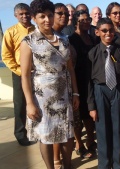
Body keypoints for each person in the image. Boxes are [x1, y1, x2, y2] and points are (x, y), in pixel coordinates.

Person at [20, 0, 79, 168]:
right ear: (33, 18)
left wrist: (75, 93)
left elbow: (70, 69)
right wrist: (30, 103)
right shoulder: (28, 41)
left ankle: (67, 165)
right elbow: (24, 76)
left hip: (64, 92)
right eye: (42, 16)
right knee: (45, 134)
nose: (47, 19)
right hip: (42, 96)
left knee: (67, 133)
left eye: (50, 15)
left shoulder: (64, 39)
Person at [87, 17, 120, 169]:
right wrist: (91, 106)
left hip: (117, 91)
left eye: (111, 30)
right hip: (100, 91)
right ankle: (104, 165)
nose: (108, 33)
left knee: (116, 128)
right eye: (104, 30)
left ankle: (116, 164)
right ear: (97, 32)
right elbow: (89, 82)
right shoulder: (92, 54)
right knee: (102, 130)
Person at [1, 3, 36, 146]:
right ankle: (21, 134)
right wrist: (20, 72)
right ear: (16, 16)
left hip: (38, 72)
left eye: (27, 13)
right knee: (20, 104)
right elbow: (6, 56)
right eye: (21, 14)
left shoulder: (37, 29)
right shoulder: (11, 32)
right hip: (20, 73)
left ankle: (37, 131)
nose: (24, 16)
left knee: (38, 103)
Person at [68, 10, 96, 159]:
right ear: (76, 22)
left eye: (88, 19)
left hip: (92, 80)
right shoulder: (71, 39)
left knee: (89, 113)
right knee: (78, 115)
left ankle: (91, 140)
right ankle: (79, 144)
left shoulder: (92, 38)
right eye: (82, 20)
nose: (86, 22)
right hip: (78, 80)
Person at [52, 3, 71, 168]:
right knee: (54, 126)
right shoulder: (44, 36)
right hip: (50, 89)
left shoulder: (64, 37)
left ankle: (66, 160)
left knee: (66, 125)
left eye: (66, 13)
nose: (64, 16)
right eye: (60, 13)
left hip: (68, 85)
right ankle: (55, 159)